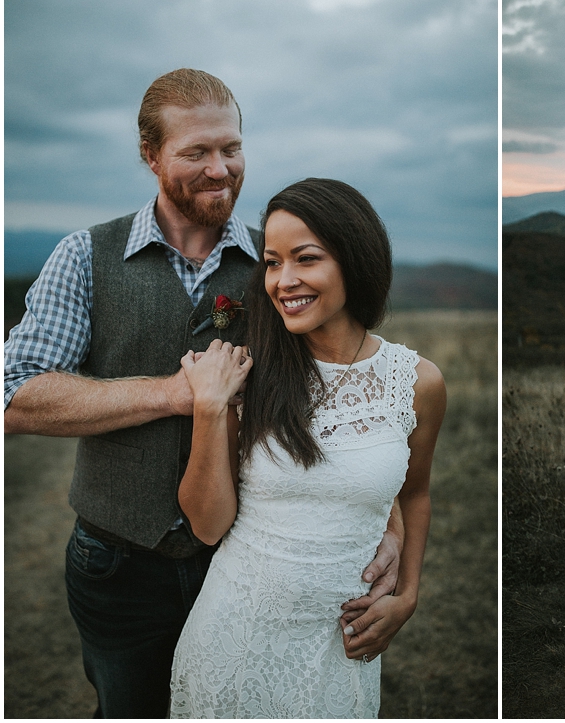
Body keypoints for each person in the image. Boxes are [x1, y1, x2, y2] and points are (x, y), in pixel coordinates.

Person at [3, 69, 401, 718]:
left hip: (252, 564)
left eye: (232, 148)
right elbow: (14, 396)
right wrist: (173, 393)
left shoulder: (279, 265)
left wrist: (390, 522)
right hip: (118, 563)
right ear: (149, 154)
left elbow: (349, 396)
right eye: (196, 152)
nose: (220, 169)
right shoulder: (84, 256)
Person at [167, 178, 446, 718]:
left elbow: (414, 495)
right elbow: (206, 524)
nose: (284, 280)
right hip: (234, 641)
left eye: (306, 258)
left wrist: (407, 594)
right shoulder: (249, 373)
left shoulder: (416, 382)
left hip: (340, 648)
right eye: (272, 262)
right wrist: (209, 408)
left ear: (355, 260)